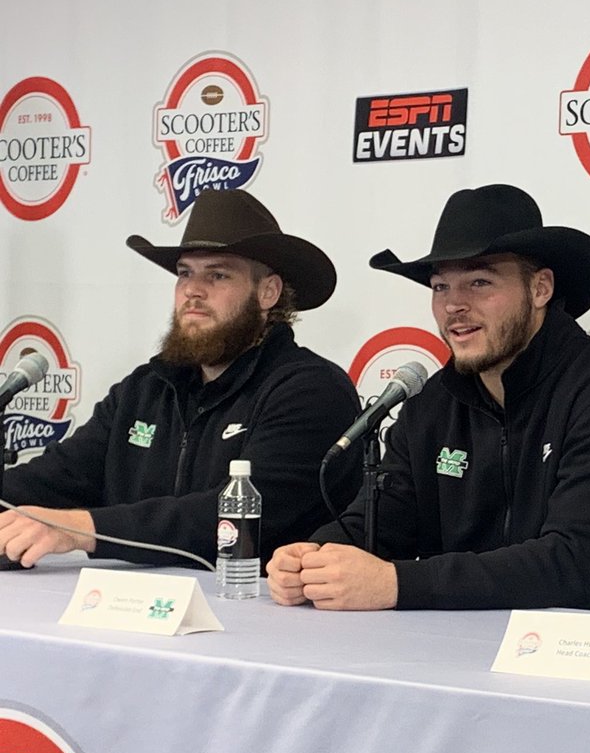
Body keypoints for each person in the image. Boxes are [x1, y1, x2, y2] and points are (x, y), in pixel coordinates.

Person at [266, 183, 590, 611]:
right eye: (441, 287)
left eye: (479, 282)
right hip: (459, 648)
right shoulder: (431, 402)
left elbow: (571, 566)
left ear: (540, 290)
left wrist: (397, 584)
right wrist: (312, 556)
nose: (453, 306)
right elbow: (382, 522)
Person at [0, 189, 362, 569]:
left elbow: (234, 517)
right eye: (184, 273)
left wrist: (80, 528)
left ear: (267, 292)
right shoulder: (144, 389)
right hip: (132, 611)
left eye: (217, 275)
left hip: (262, 611)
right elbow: (54, 477)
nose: (193, 290)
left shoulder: (311, 391)